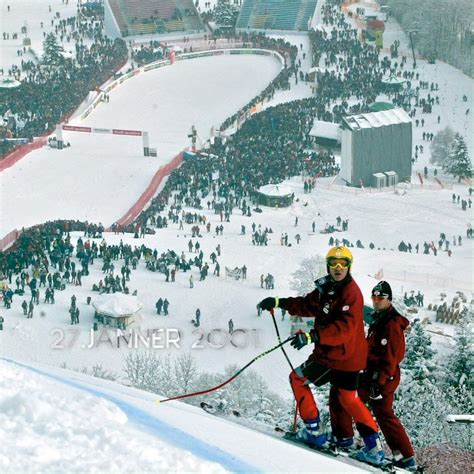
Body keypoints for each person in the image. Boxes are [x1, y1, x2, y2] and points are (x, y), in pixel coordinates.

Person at [258, 247, 383, 466]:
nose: (338, 268)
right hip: (347, 356)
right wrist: (279, 302)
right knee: (349, 399)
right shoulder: (327, 287)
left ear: (349, 266)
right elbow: (308, 305)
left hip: (337, 356)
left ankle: (314, 431)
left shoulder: (350, 293)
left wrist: (313, 336)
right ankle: (375, 448)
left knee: (297, 379)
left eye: (342, 264)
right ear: (328, 266)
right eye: (333, 264)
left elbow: (343, 329)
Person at [334, 281, 417, 471]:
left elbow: (393, 356)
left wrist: (378, 381)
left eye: (381, 298)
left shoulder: (392, 323)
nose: (377, 301)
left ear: (390, 300)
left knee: (351, 401)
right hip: (374, 375)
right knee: (382, 413)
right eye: (374, 297)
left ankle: (353, 442)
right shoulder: (380, 318)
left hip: (382, 377)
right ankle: (404, 456)